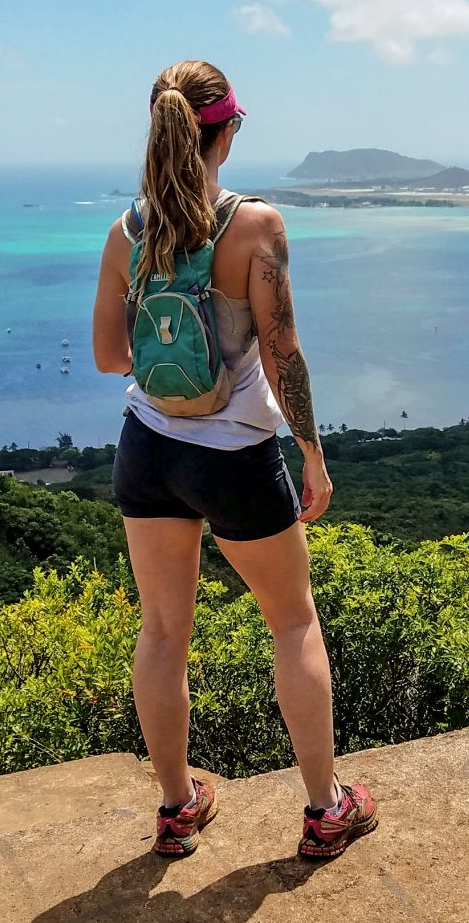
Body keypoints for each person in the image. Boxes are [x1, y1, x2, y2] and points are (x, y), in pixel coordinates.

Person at [91, 60, 376, 859]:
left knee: (162, 631)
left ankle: (178, 808)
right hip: (236, 457)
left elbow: (111, 356)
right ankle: (326, 810)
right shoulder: (254, 226)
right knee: (292, 622)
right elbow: (283, 352)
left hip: (146, 451)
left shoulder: (127, 231)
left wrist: (169, 345)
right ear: (224, 131)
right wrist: (312, 453)